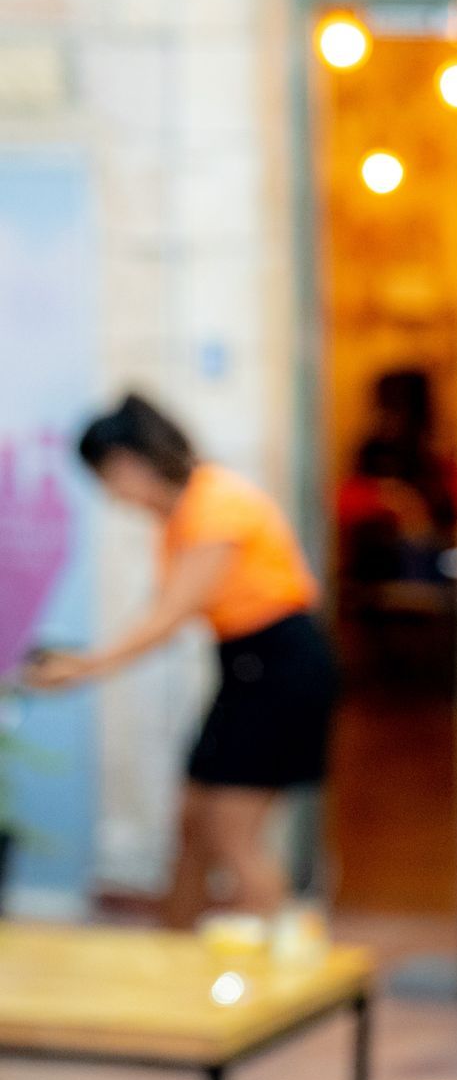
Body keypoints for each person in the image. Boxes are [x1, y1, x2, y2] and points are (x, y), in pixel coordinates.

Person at [25, 393, 336, 927]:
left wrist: (88, 667)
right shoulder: (183, 515)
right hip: (245, 667)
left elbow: (170, 615)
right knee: (192, 823)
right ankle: (175, 952)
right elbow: (162, 611)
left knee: (233, 837)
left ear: (128, 463)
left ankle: (282, 964)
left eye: (107, 480)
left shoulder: (217, 505)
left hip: (281, 669)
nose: (113, 496)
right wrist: (87, 661)